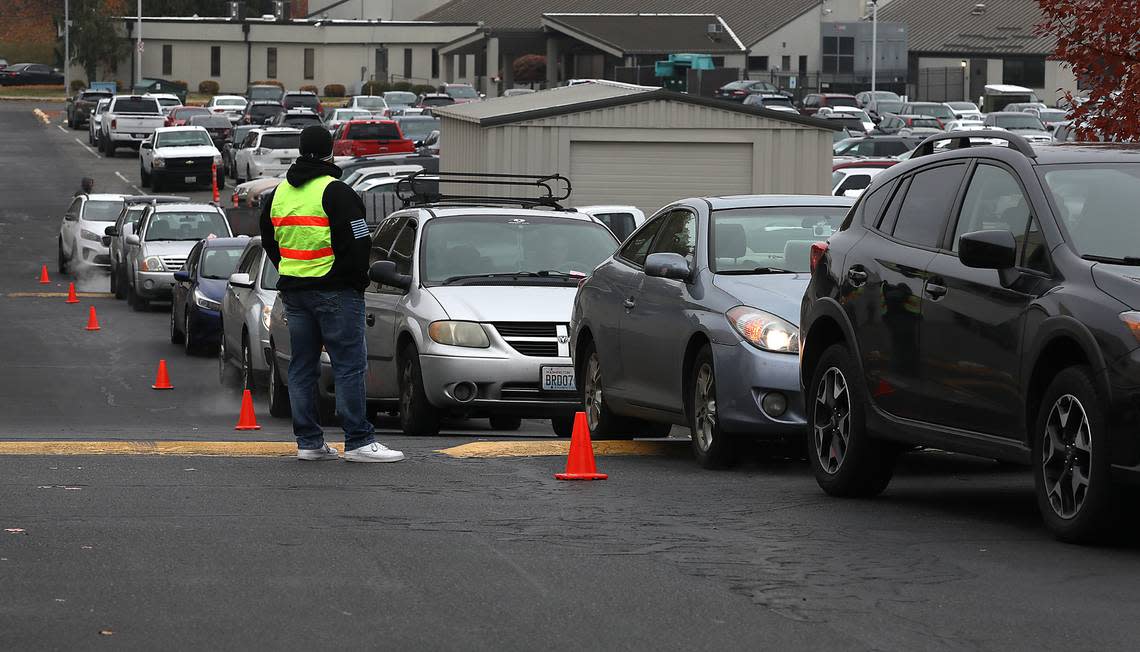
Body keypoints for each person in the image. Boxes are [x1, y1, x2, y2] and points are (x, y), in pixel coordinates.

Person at [259, 126, 404, 463]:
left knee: (302, 367)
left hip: (294, 293)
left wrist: (289, 268)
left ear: (300, 150)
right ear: (331, 151)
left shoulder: (278, 194)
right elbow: (359, 243)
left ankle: (308, 442)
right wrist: (355, 281)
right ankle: (358, 441)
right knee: (349, 365)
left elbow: (269, 240)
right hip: (335, 291)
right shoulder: (337, 191)